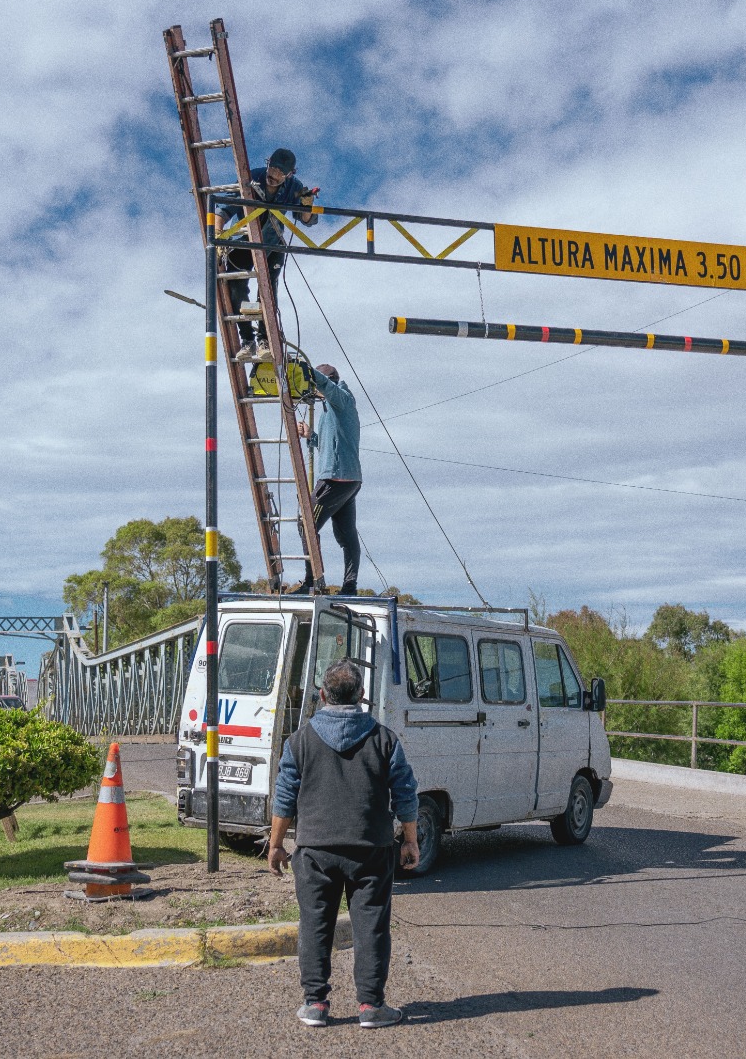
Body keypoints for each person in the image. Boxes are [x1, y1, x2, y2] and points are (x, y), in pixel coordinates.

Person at [268, 658, 420, 1029]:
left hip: (315, 851)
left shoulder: (300, 740)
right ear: (362, 696)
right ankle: (371, 1007)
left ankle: (315, 1005)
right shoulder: (384, 739)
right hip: (371, 849)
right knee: (371, 926)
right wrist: (411, 841)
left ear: (322, 695)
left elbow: (284, 796)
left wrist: (275, 845)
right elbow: (405, 793)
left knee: (315, 925)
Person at [224, 147, 319, 345]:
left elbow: (306, 220)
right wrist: (217, 238)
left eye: (280, 172)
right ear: (267, 163)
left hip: (272, 244)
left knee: (268, 292)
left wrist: (307, 204)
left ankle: (265, 338)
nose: (273, 175)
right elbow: (224, 210)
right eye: (272, 168)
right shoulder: (251, 178)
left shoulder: (295, 186)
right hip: (243, 241)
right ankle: (248, 338)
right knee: (236, 288)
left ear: (290, 174)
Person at [293, 363, 361, 595]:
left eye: (316, 387)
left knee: (307, 524)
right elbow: (329, 444)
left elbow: (329, 389)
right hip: (347, 479)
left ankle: (312, 582)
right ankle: (349, 586)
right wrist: (311, 436)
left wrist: (311, 373)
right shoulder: (333, 408)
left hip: (335, 478)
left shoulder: (342, 397)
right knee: (346, 535)